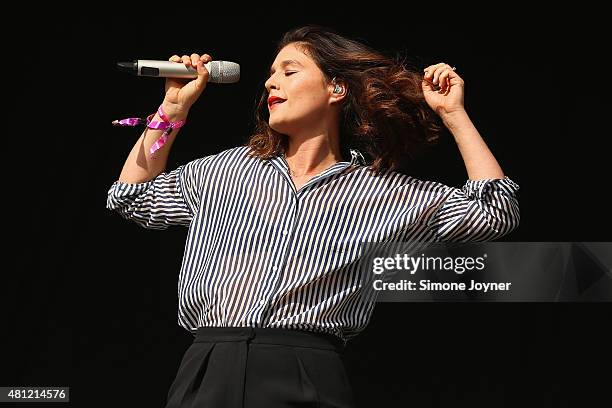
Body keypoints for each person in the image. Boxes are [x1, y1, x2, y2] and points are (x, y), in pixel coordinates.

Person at [107, 25, 520, 408]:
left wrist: (453, 116)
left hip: (304, 367)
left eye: (290, 71)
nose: (271, 82)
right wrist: (171, 110)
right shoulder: (227, 169)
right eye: (271, 74)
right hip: (208, 361)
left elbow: (493, 211)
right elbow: (132, 196)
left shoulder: (384, 192)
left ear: (336, 87)